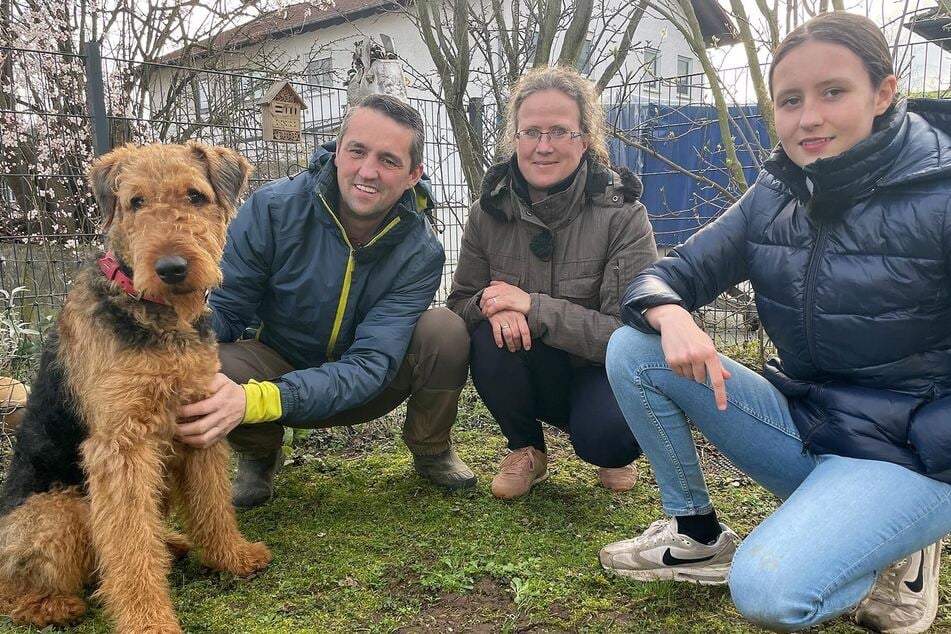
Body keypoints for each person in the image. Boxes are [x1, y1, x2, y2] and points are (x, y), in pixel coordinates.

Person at [601, 11, 951, 634]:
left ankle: (894, 539)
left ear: (884, 92)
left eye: (833, 92)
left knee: (768, 591)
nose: (808, 117)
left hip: (912, 453)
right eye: (790, 100)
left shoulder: (941, 193)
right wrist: (669, 309)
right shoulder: (777, 193)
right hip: (812, 424)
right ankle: (697, 533)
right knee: (636, 347)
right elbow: (668, 272)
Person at [175, 94, 475, 508]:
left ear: (413, 175)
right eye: (357, 151)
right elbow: (226, 308)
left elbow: (370, 364)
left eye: (388, 160)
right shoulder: (273, 208)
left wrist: (257, 400)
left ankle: (430, 446)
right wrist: (172, 341)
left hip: (367, 385)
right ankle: (259, 453)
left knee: (445, 330)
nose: (367, 171)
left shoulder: (421, 251)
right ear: (337, 151)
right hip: (274, 363)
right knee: (206, 359)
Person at [447, 66, 657, 500]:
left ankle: (607, 451)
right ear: (515, 140)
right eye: (531, 132)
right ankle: (526, 448)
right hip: (530, 366)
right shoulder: (489, 212)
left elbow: (631, 336)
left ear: (585, 139)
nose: (543, 147)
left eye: (560, 131)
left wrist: (531, 306)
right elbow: (459, 305)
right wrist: (491, 303)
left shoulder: (623, 215)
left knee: (608, 438)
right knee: (488, 335)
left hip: (599, 371)